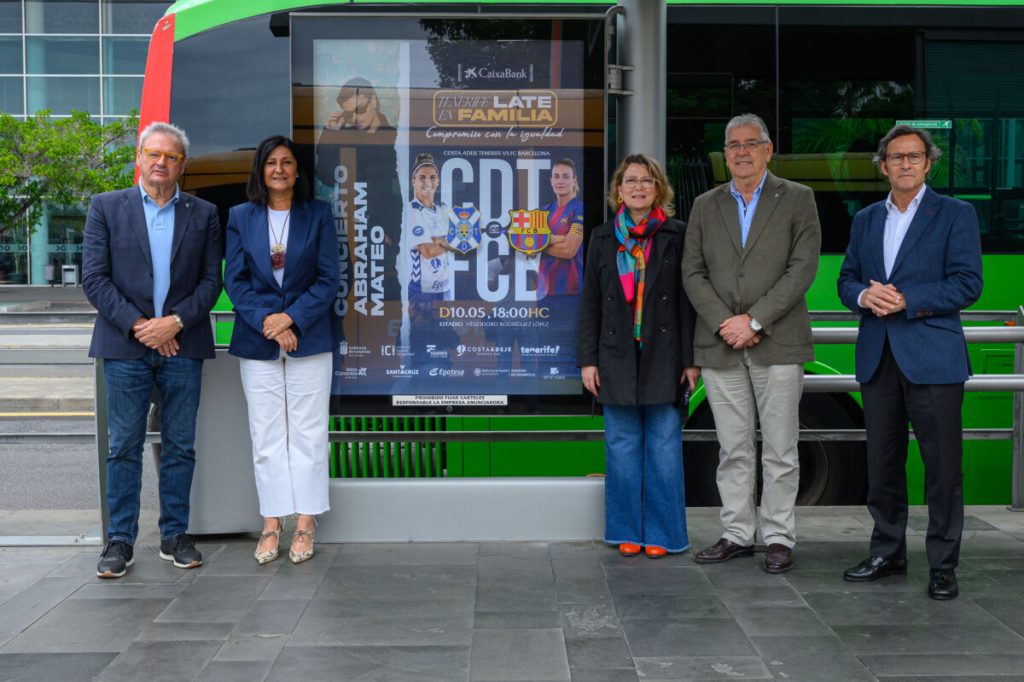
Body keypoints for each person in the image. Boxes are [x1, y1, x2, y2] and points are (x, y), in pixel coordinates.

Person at [838, 125, 982, 600]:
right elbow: (846, 280)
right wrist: (863, 294)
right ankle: (887, 552)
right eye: (896, 157)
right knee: (882, 462)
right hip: (878, 356)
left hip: (934, 358)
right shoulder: (865, 220)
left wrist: (907, 299)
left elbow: (967, 283)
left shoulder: (955, 214)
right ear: (883, 166)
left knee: (942, 467)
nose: (904, 164)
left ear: (928, 163)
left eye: (914, 156)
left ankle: (943, 565)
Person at [682, 113, 821, 573]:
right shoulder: (705, 204)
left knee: (780, 448)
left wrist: (755, 320)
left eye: (750, 143)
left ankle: (779, 536)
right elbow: (692, 272)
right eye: (732, 145)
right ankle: (738, 533)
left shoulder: (799, 199)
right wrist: (727, 322)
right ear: (725, 154)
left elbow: (802, 269)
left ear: (768, 149)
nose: (741, 151)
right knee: (733, 448)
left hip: (777, 342)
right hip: (722, 343)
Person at [83, 121, 221, 578]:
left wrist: (174, 322)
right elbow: (94, 278)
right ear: (138, 158)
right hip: (126, 346)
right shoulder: (105, 207)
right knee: (124, 445)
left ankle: (174, 535)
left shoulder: (203, 213)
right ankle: (120, 541)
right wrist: (142, 326)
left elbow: (210, 281)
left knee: (181, 445)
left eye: (172, 156)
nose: (162, 163)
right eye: (153, 154)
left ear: (183, 165)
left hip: (183, 343)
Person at [224, 135, 341, 565]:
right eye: (271, 162)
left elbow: (328, 278)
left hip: (309, 338)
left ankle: (306, 524)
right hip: (258, 342)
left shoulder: (318, 215)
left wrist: (291, 318)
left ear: (297, 171)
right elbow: (235, 281)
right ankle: (272, 523)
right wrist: (269, 323)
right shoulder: (240, 216)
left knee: (309, 434)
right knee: (267, 436)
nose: (279, 169)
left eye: (287, 162)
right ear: (260, 169)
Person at [577, 153, 699, 559]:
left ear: (659, 189)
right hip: (615, 357)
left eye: (647, 181)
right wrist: (588, 360)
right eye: (630, 181)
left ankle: (664, 534)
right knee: (622, 448)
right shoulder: (602, 237)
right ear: (618, 191)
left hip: (665, 356)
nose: (638, 187)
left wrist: (691, 360)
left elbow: (688, 302)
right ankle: (626, 530)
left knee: (664, 449)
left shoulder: (678, 235)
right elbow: (591, 302)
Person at [316, 77, 401, 300]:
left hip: (386, 235)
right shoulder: (344, 136)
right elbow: (326, 176)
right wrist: (329, 133)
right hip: (350, 231)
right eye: (348, 114)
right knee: (351, 295)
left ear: (374, 101)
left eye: (360, 109)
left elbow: (403, 190)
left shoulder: (395, 137)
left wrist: (392, 232)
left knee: (386, 295)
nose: (355, 118)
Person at [404, 153, 456, 363]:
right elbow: (427, 251)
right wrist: (451, 241)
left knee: (444, 346)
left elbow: (464, 240)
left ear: (438, 181)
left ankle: (442, 388)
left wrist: (441, 240)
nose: (428, 182)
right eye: (422, 177)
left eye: (432, 177)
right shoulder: (410, 210)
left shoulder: (443, 209)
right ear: (413, 181)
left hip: (444, 288)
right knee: (420, 347)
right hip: (420, 289)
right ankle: (417, 390)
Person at [538, 159, 585, 373]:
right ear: (550, 181)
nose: (561, 181)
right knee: (545, 350)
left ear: (574, 180)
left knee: (567, 351)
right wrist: (557, 238)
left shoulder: (579, 209)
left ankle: (567, 402)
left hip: (570, 292)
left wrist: (541, 242)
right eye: (556, 176)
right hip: (544, 292)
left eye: (566, 176)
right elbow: (524, 244)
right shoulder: (544, 211)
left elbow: (569, 250)